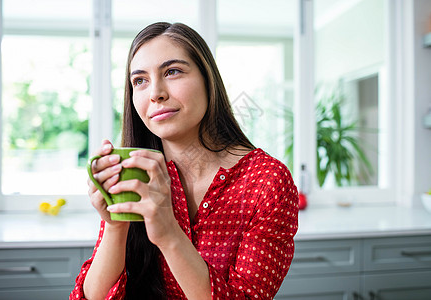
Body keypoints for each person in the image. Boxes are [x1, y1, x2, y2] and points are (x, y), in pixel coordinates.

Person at [70, 22, 299, 300]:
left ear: (208, 79)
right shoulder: (136, 173)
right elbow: (89, 297)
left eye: (173, 71)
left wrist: (168, 233)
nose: (156, 93)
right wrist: (116, 225)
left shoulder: (266, 181)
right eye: (139, 80)